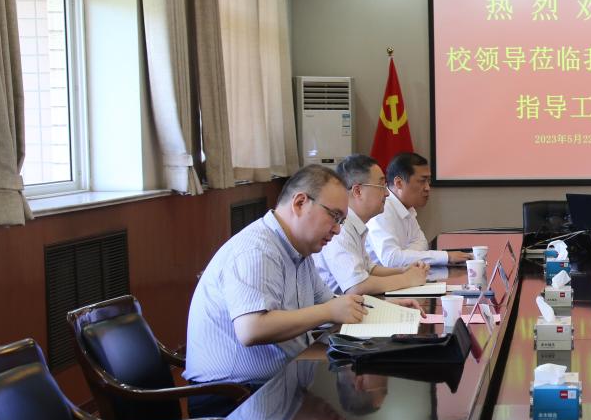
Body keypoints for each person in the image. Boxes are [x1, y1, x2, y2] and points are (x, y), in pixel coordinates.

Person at [184, 165, 370, 401]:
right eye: (334, 217)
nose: (337, 230)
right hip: (234, 396)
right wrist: (328, 311)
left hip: (280, 381)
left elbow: (331, 303)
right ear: (300, 203)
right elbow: (252, 329)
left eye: (341, 221)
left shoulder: (300, 251)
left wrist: (389, 311)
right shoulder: (257, 250)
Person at [314, 154, 431, 295]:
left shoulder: (356, 224)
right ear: (358, 191)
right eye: (381, 186)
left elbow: (369, 269)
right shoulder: (341, 228)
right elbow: (356, 286)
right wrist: (407, 279)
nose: (387, 193)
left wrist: (403, 270)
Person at [368, 152, 471, 267]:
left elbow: (422, 243)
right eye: (422, 181)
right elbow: (391, 259)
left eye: (428, 181)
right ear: (399, 183)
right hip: (382, 277)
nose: (427, 188)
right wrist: (446, 257)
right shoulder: (382, 210)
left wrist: (404, 255)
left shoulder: (408, 208)